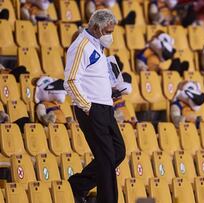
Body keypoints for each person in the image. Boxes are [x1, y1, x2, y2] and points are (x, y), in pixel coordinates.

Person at [64, 9, 126, 203]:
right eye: (108, 31)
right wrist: (87, 107)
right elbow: (71, 80)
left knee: (118, 152)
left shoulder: (97, 45)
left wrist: (111, 91)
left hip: (106, 107)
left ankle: (78, 185)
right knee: (106, 158)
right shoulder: (81, 46)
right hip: (92, 109)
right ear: (96, 27)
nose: (110, 35)